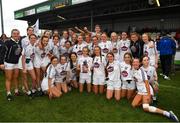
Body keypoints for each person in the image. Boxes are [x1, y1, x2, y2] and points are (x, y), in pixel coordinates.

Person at [4, 29, 22, 101]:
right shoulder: (8, 42)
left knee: (16, 77)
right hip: (9, 63)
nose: (16, 35)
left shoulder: (19, 42)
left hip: (17, 63)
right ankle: (8, 93)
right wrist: (1, 63)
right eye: (14, 33)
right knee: (9, 78)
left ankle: (16, 91)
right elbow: (2, 53)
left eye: (17, 33)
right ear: (11, 34)